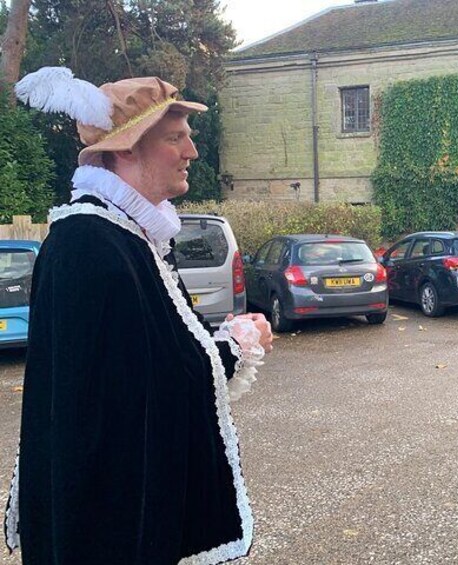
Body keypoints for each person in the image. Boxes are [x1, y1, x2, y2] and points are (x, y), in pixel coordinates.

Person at [5, 67, 273, 564]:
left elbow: (147, 357)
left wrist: (227, 342)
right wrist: (239, 341)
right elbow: (145, 385)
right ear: (126, 150)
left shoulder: (127, 237)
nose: (191, 152)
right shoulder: (89, 243)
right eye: (175, 138)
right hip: (104, 522)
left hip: (118, 507)